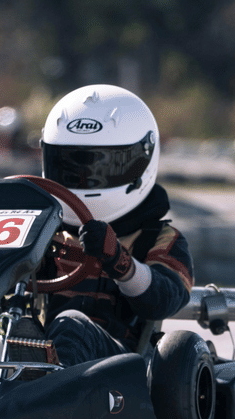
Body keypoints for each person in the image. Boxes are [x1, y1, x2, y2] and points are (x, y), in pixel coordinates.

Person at [36, 84, 194, 366]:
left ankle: (47, 397)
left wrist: (120, 262)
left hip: (120, 365)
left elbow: (164, 299)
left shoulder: (158, 238)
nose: (82, 178)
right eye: (70, 165)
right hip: (41, 348)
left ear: (139, 162)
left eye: (98, 167)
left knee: (71, 326)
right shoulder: (45, 231)